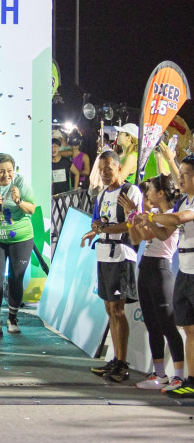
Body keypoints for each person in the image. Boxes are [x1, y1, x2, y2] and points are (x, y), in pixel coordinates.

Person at [80, 150, 141, 383]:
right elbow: (96, 223)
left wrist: (104, 228)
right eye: (101, 170)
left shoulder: (130, 191)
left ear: (118, 167)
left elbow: (131, 224)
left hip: (121, 255)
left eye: (108, 168)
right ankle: (115, 359)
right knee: (109, 308)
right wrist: (94, 229)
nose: (104, 174)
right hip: (104, 254)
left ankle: (123, 363)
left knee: (117, 309)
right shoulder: (102, 194)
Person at [125, 173, 186, 391]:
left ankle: (179, 376)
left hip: (161, 271)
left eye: (150, 189)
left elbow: (159, 235)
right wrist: (131, 216)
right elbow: (137, 238)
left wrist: (144, 217)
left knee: (168, 325)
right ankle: (159, 374)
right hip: (145, 268)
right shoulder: (152, 214)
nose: (147, 193)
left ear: (161, 193)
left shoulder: (170, 215)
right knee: (152, 325)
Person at [140, 152, 194, 397]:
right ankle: (188, 380)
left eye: (186, 174)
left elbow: (177, 219)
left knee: (178, 327)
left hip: (183, 270)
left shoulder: (184, 207)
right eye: (180, 174)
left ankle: (184, 377)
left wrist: (150, 215)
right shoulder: (183, 201)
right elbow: (164, 233)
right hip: (184, 269)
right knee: (188, 329)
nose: (180, 179)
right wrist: (149, 222)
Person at [0, 153, 37, 337]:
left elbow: (32, 209)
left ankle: (13, 318)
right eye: (1, 171)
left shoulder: (20, 182)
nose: (6, 175)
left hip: (21, 238)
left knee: (15, 278)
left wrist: (18, 201)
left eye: (9, 171)